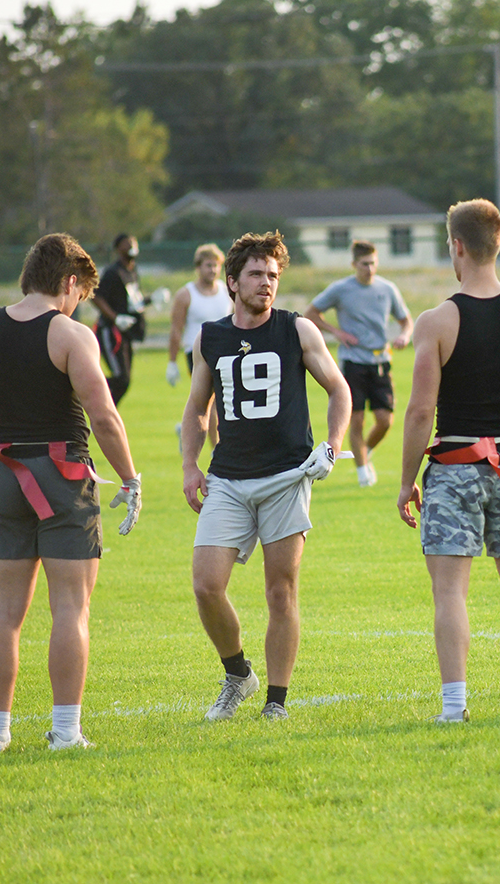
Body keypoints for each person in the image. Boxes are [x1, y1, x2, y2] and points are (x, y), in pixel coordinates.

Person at [0, 233, 142, 754]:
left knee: (5, 612)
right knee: (70, 609)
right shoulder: (70, 335)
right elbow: (103, 415)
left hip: (5, 475)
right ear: (69, 283)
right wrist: (131, 477)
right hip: (63, 476)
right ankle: (66, 732)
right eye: (79, 294)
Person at [180, 231, 351, 722]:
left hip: (285, 476)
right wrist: (191, 466)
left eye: (273, 275)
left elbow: (340, 392)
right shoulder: (210, 337)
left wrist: (333, 446)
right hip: (229, 477)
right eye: (256, 274)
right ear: (231, 282)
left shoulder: (297, 330)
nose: (266, 283)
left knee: (281, 590)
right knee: (206, 585)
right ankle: (238, 673)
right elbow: (197, 409)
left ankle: (276, 702)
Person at [398, 199, 500, 722]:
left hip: (453, 467)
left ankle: (454, 707)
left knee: (450, 594)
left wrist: (405, 482)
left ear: (457, 247)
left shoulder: (438, 319)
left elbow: (421, 411)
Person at [306, 241, 413, 487]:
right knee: (357, 420)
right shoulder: (341, 289)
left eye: (373, 263)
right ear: (354, 264)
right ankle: (364, 473)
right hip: (353, 362)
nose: (370, 268)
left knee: (385, 421)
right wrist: (337, 333)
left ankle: (365, 451)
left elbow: (406, 320)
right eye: (364, 264)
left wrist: (404, 335)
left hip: (381, 360)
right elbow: (311, 313)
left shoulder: (387, 289)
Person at [167, 244, 233, 446]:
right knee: (212, 400)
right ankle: (217, 449)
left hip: (226, 352)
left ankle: (186, 430)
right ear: (198, 267)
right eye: (207, 265)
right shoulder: (186, 294)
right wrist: (172, 362)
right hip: (197, 354)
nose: (212, 270)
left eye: (215, 266)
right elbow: (176, 329)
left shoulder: (227, 291)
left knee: (217, 401)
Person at [94, 233, 147, 404]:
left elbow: (132, 301)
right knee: (121, 379)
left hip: (126, 332)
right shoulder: (113, 272)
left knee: (124, 381)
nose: (131, 246)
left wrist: (151, 299)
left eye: (133, 242)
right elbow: (96, 296)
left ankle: (108, 414)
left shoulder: (132, 270)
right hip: (111, 331)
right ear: (118, 248)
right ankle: (85, 391)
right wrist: (115, 318)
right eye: (127, 243)